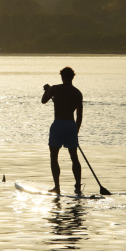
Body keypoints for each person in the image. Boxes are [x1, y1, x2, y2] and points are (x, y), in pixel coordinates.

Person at [41, 67, 83, 195]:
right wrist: (76, 131)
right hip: (71, 125)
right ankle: (77, 187)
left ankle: (57, 187)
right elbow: (79, 116)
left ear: (62, 77)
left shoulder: (55, 88)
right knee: (74, 157)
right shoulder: (77, 93)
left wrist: (47, 90)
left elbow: (43, 101)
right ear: (72, 77)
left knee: (54, 156)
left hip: (58, 124)